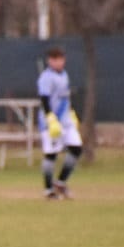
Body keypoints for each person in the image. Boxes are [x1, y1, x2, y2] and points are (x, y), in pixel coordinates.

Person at [37, 46, 82, 200]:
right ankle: (48, 190)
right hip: (51, 122)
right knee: (51, 154)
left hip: (65, 121)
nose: (59, 62)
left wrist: (71, 113)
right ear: (50, 61)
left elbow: (65, 97)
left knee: (76, 148)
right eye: (56, 60)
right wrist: (50, 118)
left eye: (61, 59)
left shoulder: (64, 75)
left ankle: (61, 182)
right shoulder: (46, 77)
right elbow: (44, 99)